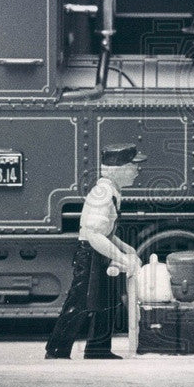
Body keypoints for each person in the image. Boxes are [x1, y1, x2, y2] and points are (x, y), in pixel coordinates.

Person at [45, 143, 146, 360]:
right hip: (91, 255)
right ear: (118, 168)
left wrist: (124, 247)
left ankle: (98, 348)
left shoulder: (111, 191)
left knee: (107, 301)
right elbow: (93, 235)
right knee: (80, 302)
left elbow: (104, 231)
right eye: (133, 166)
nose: (137, 171)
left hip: (99, 252)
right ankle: (56, 350)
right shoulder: (102, 194)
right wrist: (121, 258)